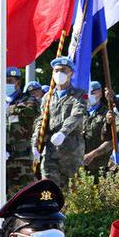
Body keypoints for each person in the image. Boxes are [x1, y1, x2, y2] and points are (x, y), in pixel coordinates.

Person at [32, 58, 87, 191]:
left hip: (71, 150)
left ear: (71, 73)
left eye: (63, 70)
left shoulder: (80, 95)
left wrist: (63, 132)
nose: (59, 73)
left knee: (72, 190)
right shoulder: (47, 97)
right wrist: (35, 143)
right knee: (48, 188)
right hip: (50, 151)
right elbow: (41, 121)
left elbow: (77, 115)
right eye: (56, 71)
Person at [5, 68, 42, 194]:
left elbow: (32, 110)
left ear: (18, 83)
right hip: (3, 154)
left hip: (22, 155)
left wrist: (9, 109)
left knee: (25, 191)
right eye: (4, 81)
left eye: (10, 81)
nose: (6, 84)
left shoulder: (28, 99)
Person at [82, 81, 110, 177]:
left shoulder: (108, 114)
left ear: (100, 93)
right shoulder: (79, 112)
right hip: (79, 164)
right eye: (88, 93)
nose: (90, 95)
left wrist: (93, 154)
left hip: (99, 165)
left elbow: (111, 141)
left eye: (93, 92)